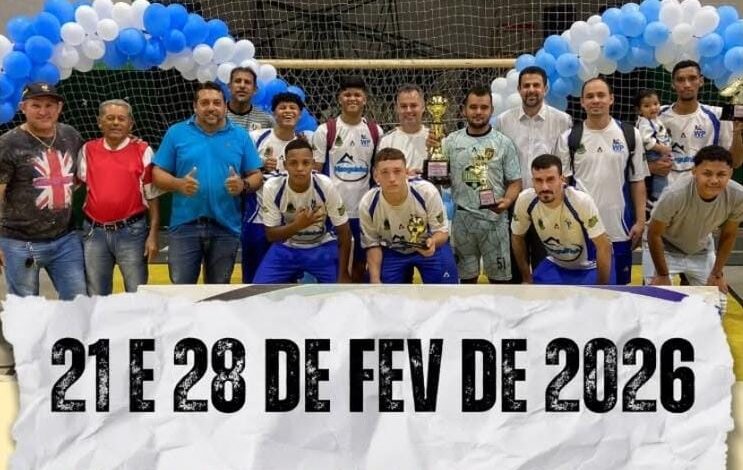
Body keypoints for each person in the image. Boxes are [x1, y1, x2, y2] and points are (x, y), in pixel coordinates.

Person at [152, 82, 263, 284]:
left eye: (216, 103)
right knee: (182, 291)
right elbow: (157, 173)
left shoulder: (240, 136)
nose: (211, 107)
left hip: (226, 226)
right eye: (204, 103)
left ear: (225, 106)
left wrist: (243, 185)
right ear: (195, 106)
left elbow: (256, 175)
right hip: (184, 226)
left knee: (218, 292)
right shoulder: (176, 133)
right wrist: (178, 184)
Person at [556, 77, 647, 285]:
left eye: (601, 95)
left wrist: (641, 221)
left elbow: (638, 181)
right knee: (582, 290)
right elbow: (563, 186)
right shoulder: (569, 138)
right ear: (582, 102)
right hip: (581, 230)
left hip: (619, 229)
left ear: (611, 99)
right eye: (590, 96)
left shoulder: (630, 134)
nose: (595, 100)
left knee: (619, 290)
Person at [0, 82, 86, 299]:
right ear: (23, 107)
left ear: (59, 108)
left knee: (78, 302)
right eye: (36, 105)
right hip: (19, 242)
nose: (43, 111)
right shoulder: (8, 143)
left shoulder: (71, 135)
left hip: (66, 240)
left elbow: (81, 175)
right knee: (27, 309)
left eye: (49, 105)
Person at [494, 65, 572, 279]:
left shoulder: (562, 121)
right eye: (526, 85)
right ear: (518, 89)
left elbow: (564, 169)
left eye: (536, 85)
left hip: (548, 206)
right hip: (513, 204)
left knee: (546, 269)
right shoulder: (503, 121)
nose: (531, 90)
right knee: (514, 270)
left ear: (545, 89)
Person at [78, 99, 161, 295]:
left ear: (130, 124)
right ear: (99, 122)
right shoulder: (87, 150)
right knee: (96, 295)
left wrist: (153, 235)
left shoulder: (143, 150)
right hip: (94, 233)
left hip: (132, 233)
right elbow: (75, 183)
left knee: (136, 293)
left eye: (121, 119)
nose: (115, 122)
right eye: (110, 118)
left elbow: (152, 197)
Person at [442, 85, 522, 283]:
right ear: (464, 110)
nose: (478, 112)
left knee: (500, 282)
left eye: (484, 107)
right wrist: (437, 172)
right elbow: (442, 179)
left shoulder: (504, 143)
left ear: (491, 110)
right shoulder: (450, 141)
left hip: (494, 220)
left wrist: (507, 201)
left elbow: (515, 182)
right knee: (466, 281)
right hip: (462, 221)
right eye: (473, 107)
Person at [646, 145, 743, 303]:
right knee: (658, 302)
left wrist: (717, 273)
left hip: (700, 249)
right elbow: (653, 234)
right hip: (664, 247)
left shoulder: (738, 196)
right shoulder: (674, 194)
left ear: (730, 174)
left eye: (721, 174)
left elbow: (729, 234)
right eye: (707, 173)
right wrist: (662, 275)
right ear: (694, 171)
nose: (714, 180)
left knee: (717, 304)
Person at [312, 75, 382, 282]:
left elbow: (378, 172)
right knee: (334, 264)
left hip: (362, 210)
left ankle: (357, 298)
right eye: (347, 94)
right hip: (333, 211)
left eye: (357, 95)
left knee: (360, 264)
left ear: (365, 99)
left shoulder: (375, 131)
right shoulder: (325, 130)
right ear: (339, 98)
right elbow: (316, 172)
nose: (352, 98)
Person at [255, 139, 352, 283]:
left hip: (321, 245)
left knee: (339, 291)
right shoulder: (272, 187)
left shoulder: (325, 185)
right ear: (285, 165)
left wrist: (343, 273)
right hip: (287, 246)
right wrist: (298, 225)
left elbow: (344, 232)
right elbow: (271, 235)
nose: (300, 168)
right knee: (259, 289)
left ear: (313, 164)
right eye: (293, 163)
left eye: (306, 163)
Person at [241, 92, 314, 283]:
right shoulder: (255, 137)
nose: (288, 111)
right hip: (258, 220)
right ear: (273, 113)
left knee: (287, 283)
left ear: (300, 114)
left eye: (293, 108)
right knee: (253, 280)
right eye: (282, 107)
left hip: (290, 223)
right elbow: (240, 172)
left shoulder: (305, 143)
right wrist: (260, 166)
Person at [359, 147, 458, 284]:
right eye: (385, 172)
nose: (392, 178)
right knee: (381, 289)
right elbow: (372, 244)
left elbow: (442, 232)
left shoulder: (426, 192)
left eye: (397, 171)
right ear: (376, 176)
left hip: (428, 245)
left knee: (446, 289)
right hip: (393, 250)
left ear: (406, 173)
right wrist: (375, 280)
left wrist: (432, 242)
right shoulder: (367, 203)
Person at [511, 154, 613, 285]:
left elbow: (604, 246)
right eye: (538, 180)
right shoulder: (525, 200)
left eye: (550, 179)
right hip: (556, 264)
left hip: (591, 266)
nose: (544, 187)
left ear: (562, 179)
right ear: (532, 181)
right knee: (533, 294)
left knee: (594, 296)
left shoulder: (581, 201)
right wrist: (526, 277)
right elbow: (517, 237)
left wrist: (601, 287)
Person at [654, 60, 742, 190]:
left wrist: (737, 133)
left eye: (692, 78)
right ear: (673, 84)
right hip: (666, 192)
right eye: (680, 80)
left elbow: (735, 162)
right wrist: (651, 166)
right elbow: (637, 159)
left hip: (704, 192)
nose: (687, 84)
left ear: (701, 81)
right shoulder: (656, 115)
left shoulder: (718, 115)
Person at [634, 88, 673, 211]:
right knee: (660, 174)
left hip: (660, 151)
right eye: (647, 106)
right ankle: (655, 198)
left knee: (664, 173)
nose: (653, 108)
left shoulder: (655, 119)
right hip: (652, 154)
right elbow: (646, 141)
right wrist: (661, 148)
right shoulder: (644, 123)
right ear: (639, 110)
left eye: (655, 104)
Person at [379, 84, 428, 175]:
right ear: (396, 108)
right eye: (403, 106)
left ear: (423, 107)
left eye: (413, 105)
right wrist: (405, 176)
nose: (408, 110)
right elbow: (381, 175)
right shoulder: (387, 141)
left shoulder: (434, 138)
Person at [226, 66, 273, 131]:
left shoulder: (266, 120)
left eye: (247, 82)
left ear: (255, 89)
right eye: (238, 81)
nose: (242, 86)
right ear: (229, 86)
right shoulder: (218, 115)